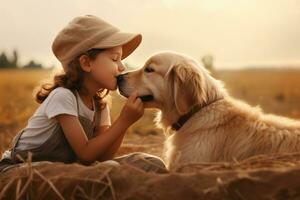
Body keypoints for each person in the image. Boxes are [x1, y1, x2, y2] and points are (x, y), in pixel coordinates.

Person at [0, 15, 166, 173]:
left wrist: (127, 123)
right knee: (105, 170)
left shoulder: (100, 106)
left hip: (67, 168)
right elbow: (86, 154)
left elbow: (103, 159)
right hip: (21, 169)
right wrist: (123, 121)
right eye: (115, 59)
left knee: (150, 163)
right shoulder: (63, 96)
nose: (122, 67)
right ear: (86, 63)